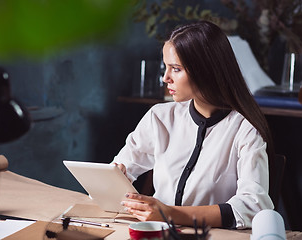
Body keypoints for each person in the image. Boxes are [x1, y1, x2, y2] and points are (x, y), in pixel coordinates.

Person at [112, 20, 275, 229]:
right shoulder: (159, 117)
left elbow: (253, 206)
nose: (165, 78)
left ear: (205, 70)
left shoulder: (245, 129)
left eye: (176, 69)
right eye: (166, 67)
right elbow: (120, 168)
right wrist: (116, 176)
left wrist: (170, 214)